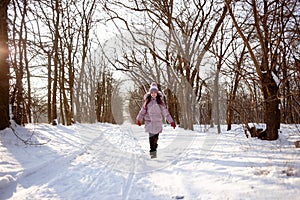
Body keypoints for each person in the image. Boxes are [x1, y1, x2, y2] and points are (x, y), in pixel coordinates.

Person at [136, 82, 176, 154]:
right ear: (150, 93)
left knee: (156, 138)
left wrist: (171, 122)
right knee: (151, 138)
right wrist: (138, 119)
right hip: (149, 122)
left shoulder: (160, 102)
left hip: (157, 123)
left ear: (157, 93)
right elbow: (142, 111)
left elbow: (166, 113)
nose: (153, 93)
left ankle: (154, 146)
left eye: (155, 92)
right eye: (152, 92)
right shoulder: (147, 102)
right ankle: (153, 152)